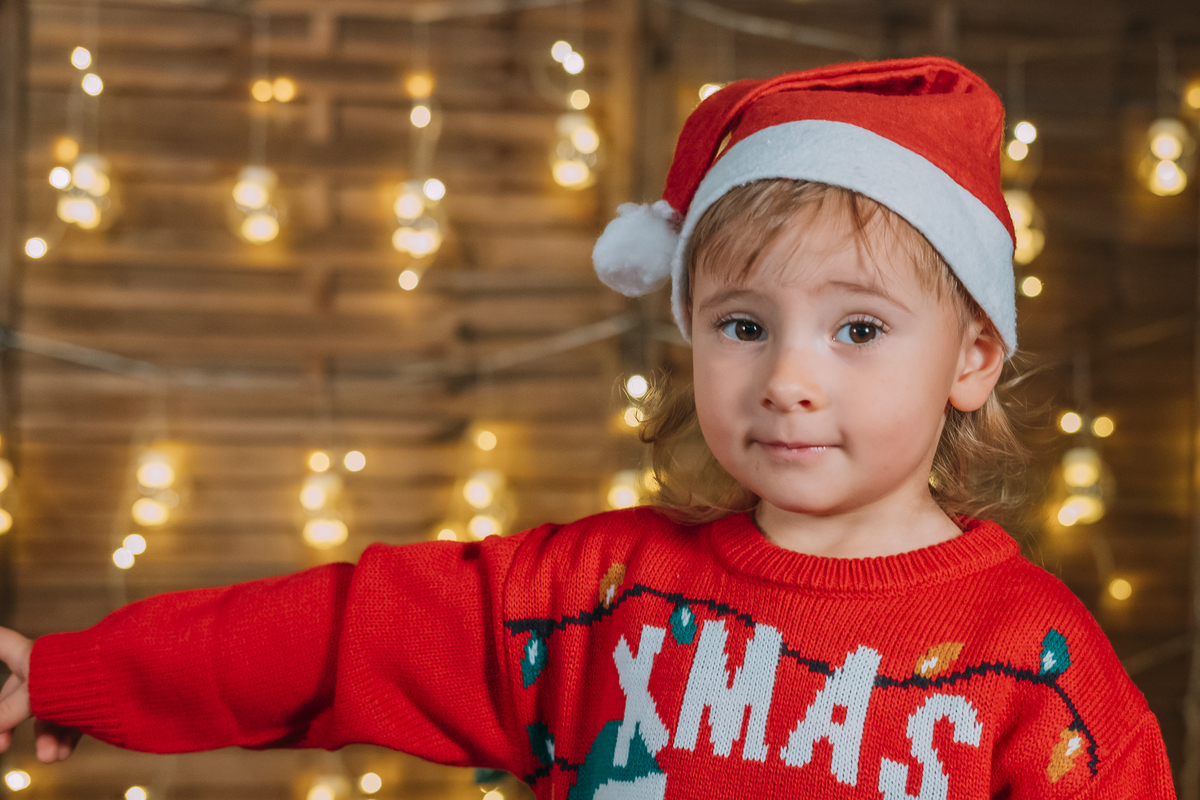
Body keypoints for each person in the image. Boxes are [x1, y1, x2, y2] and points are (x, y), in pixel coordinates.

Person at [0, 56, 1177, 799]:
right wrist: (70, 673)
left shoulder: (1038, 669)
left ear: (972, 357)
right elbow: (330, 637)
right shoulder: (592, 595)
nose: (788, 378)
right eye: (743, 324)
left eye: (859, 328)